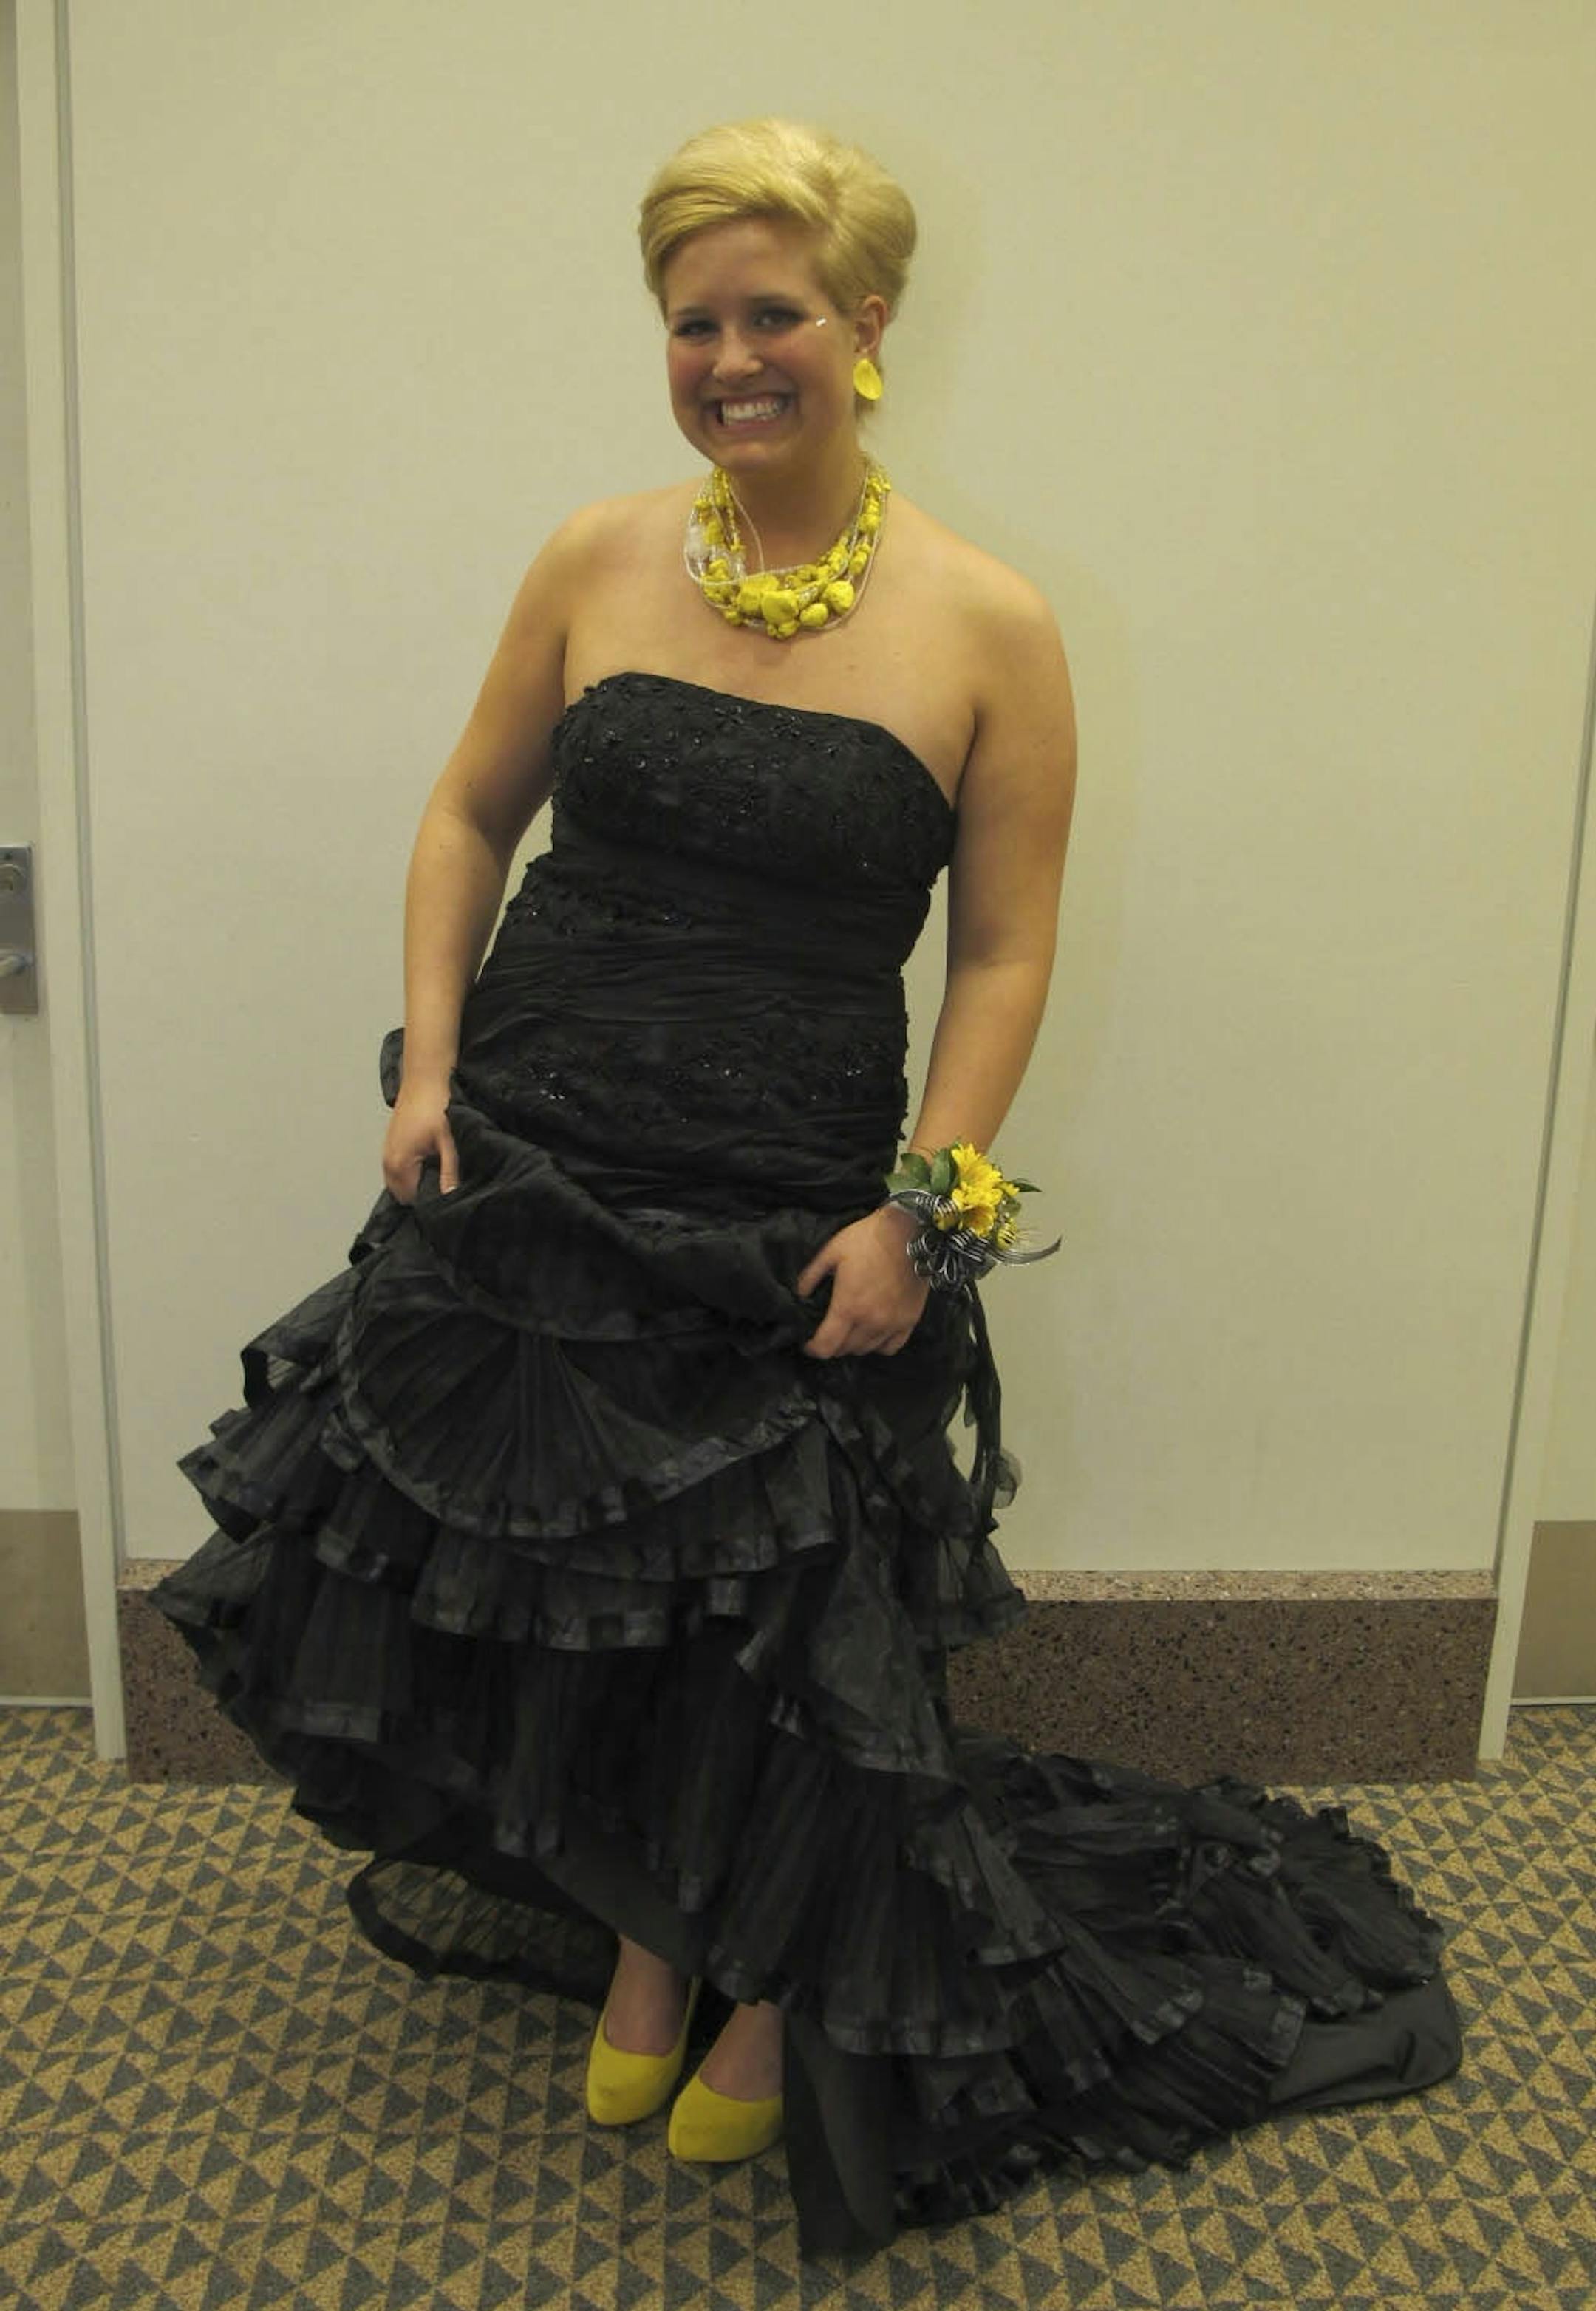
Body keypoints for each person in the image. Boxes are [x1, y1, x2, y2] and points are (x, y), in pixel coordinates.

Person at [152, 117, 1461, 2256]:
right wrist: (433, 1057)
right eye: (693, 320)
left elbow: (1011, 950)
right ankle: (648, 1934)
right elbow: (469, 816)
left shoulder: (992, 626)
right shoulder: (589, 560)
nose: (731, 356)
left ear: (868, 328)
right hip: (543, 1158)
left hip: (794, 1192)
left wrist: (927, 1214)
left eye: (775, 314)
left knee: (778, 1599)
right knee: (578, 1580)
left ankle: (758, 1965)